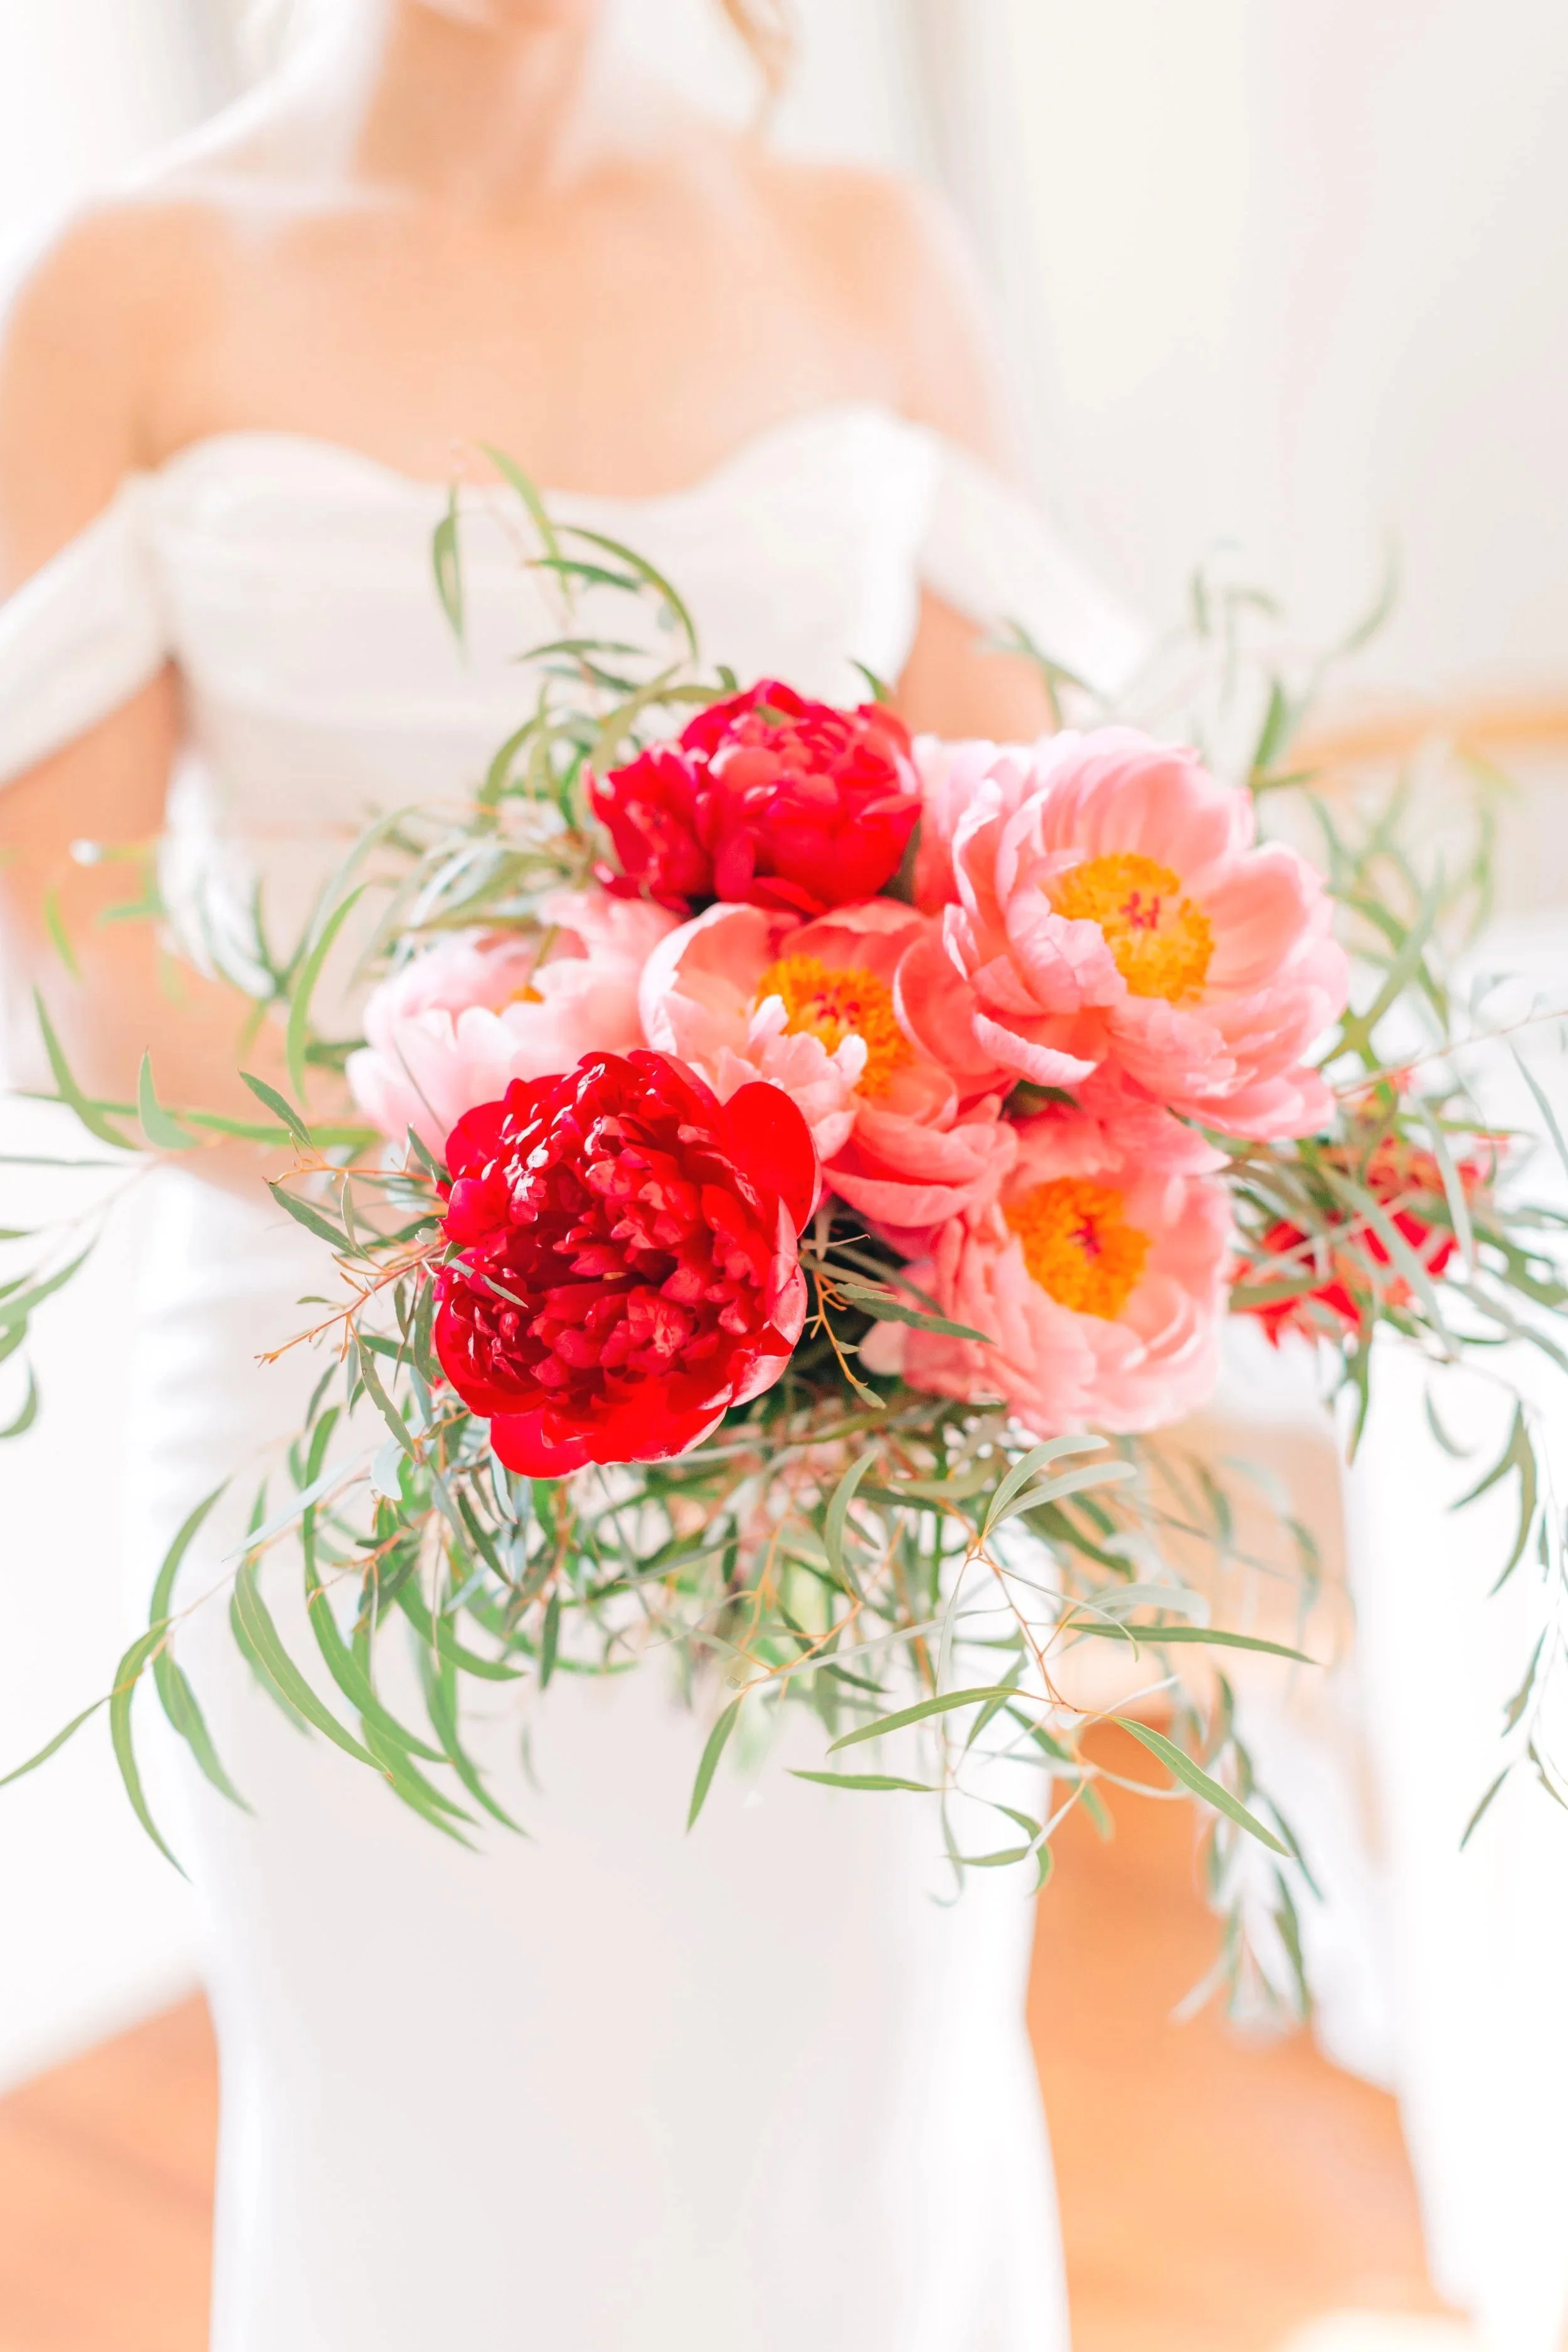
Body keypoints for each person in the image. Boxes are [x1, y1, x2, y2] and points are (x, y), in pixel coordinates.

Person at [0, 5, 1143, 2345]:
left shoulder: (865, 249)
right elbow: (97, 964)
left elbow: (1020, 897)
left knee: (838, 2139)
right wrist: (555, 1208)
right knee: (432, 2159)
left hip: (835, 1451)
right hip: (345, 1421)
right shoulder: (125, 286)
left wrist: (791, 1229)